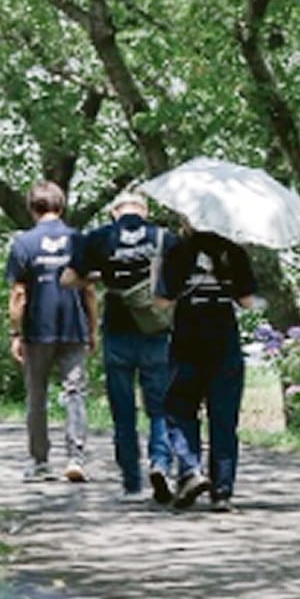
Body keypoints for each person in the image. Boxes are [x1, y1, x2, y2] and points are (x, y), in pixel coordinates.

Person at [67, 193, 176, 503]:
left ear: (115, 212)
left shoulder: (99, 237)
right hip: (155, 330)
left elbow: (68, 279)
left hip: (117, 331)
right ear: (145, 211)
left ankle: (131, 481)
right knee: (159, 406)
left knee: (123, 410)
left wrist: (100, 277)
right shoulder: (163, 237)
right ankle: (160, 463)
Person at [155, 220, 258, 512]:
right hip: (223, 340)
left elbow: (162, 301)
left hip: (188, 340)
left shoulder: (179, 250)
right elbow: (248, 301)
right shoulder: (233, 251)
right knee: (224, 416)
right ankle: (222, 492)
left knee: (179, 409)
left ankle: (190, 470)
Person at [4, 181, 96, 483]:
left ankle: (40, 462)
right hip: (73, 327)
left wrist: (15, 333)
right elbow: (90, 291)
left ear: (32, 208)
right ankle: (75, 458)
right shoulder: (79, 240)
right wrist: (92, 329)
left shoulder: (23, 244)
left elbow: (19, 295)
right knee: (75, 393)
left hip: (37, 331)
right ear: (62, 206)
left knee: (37, 396)